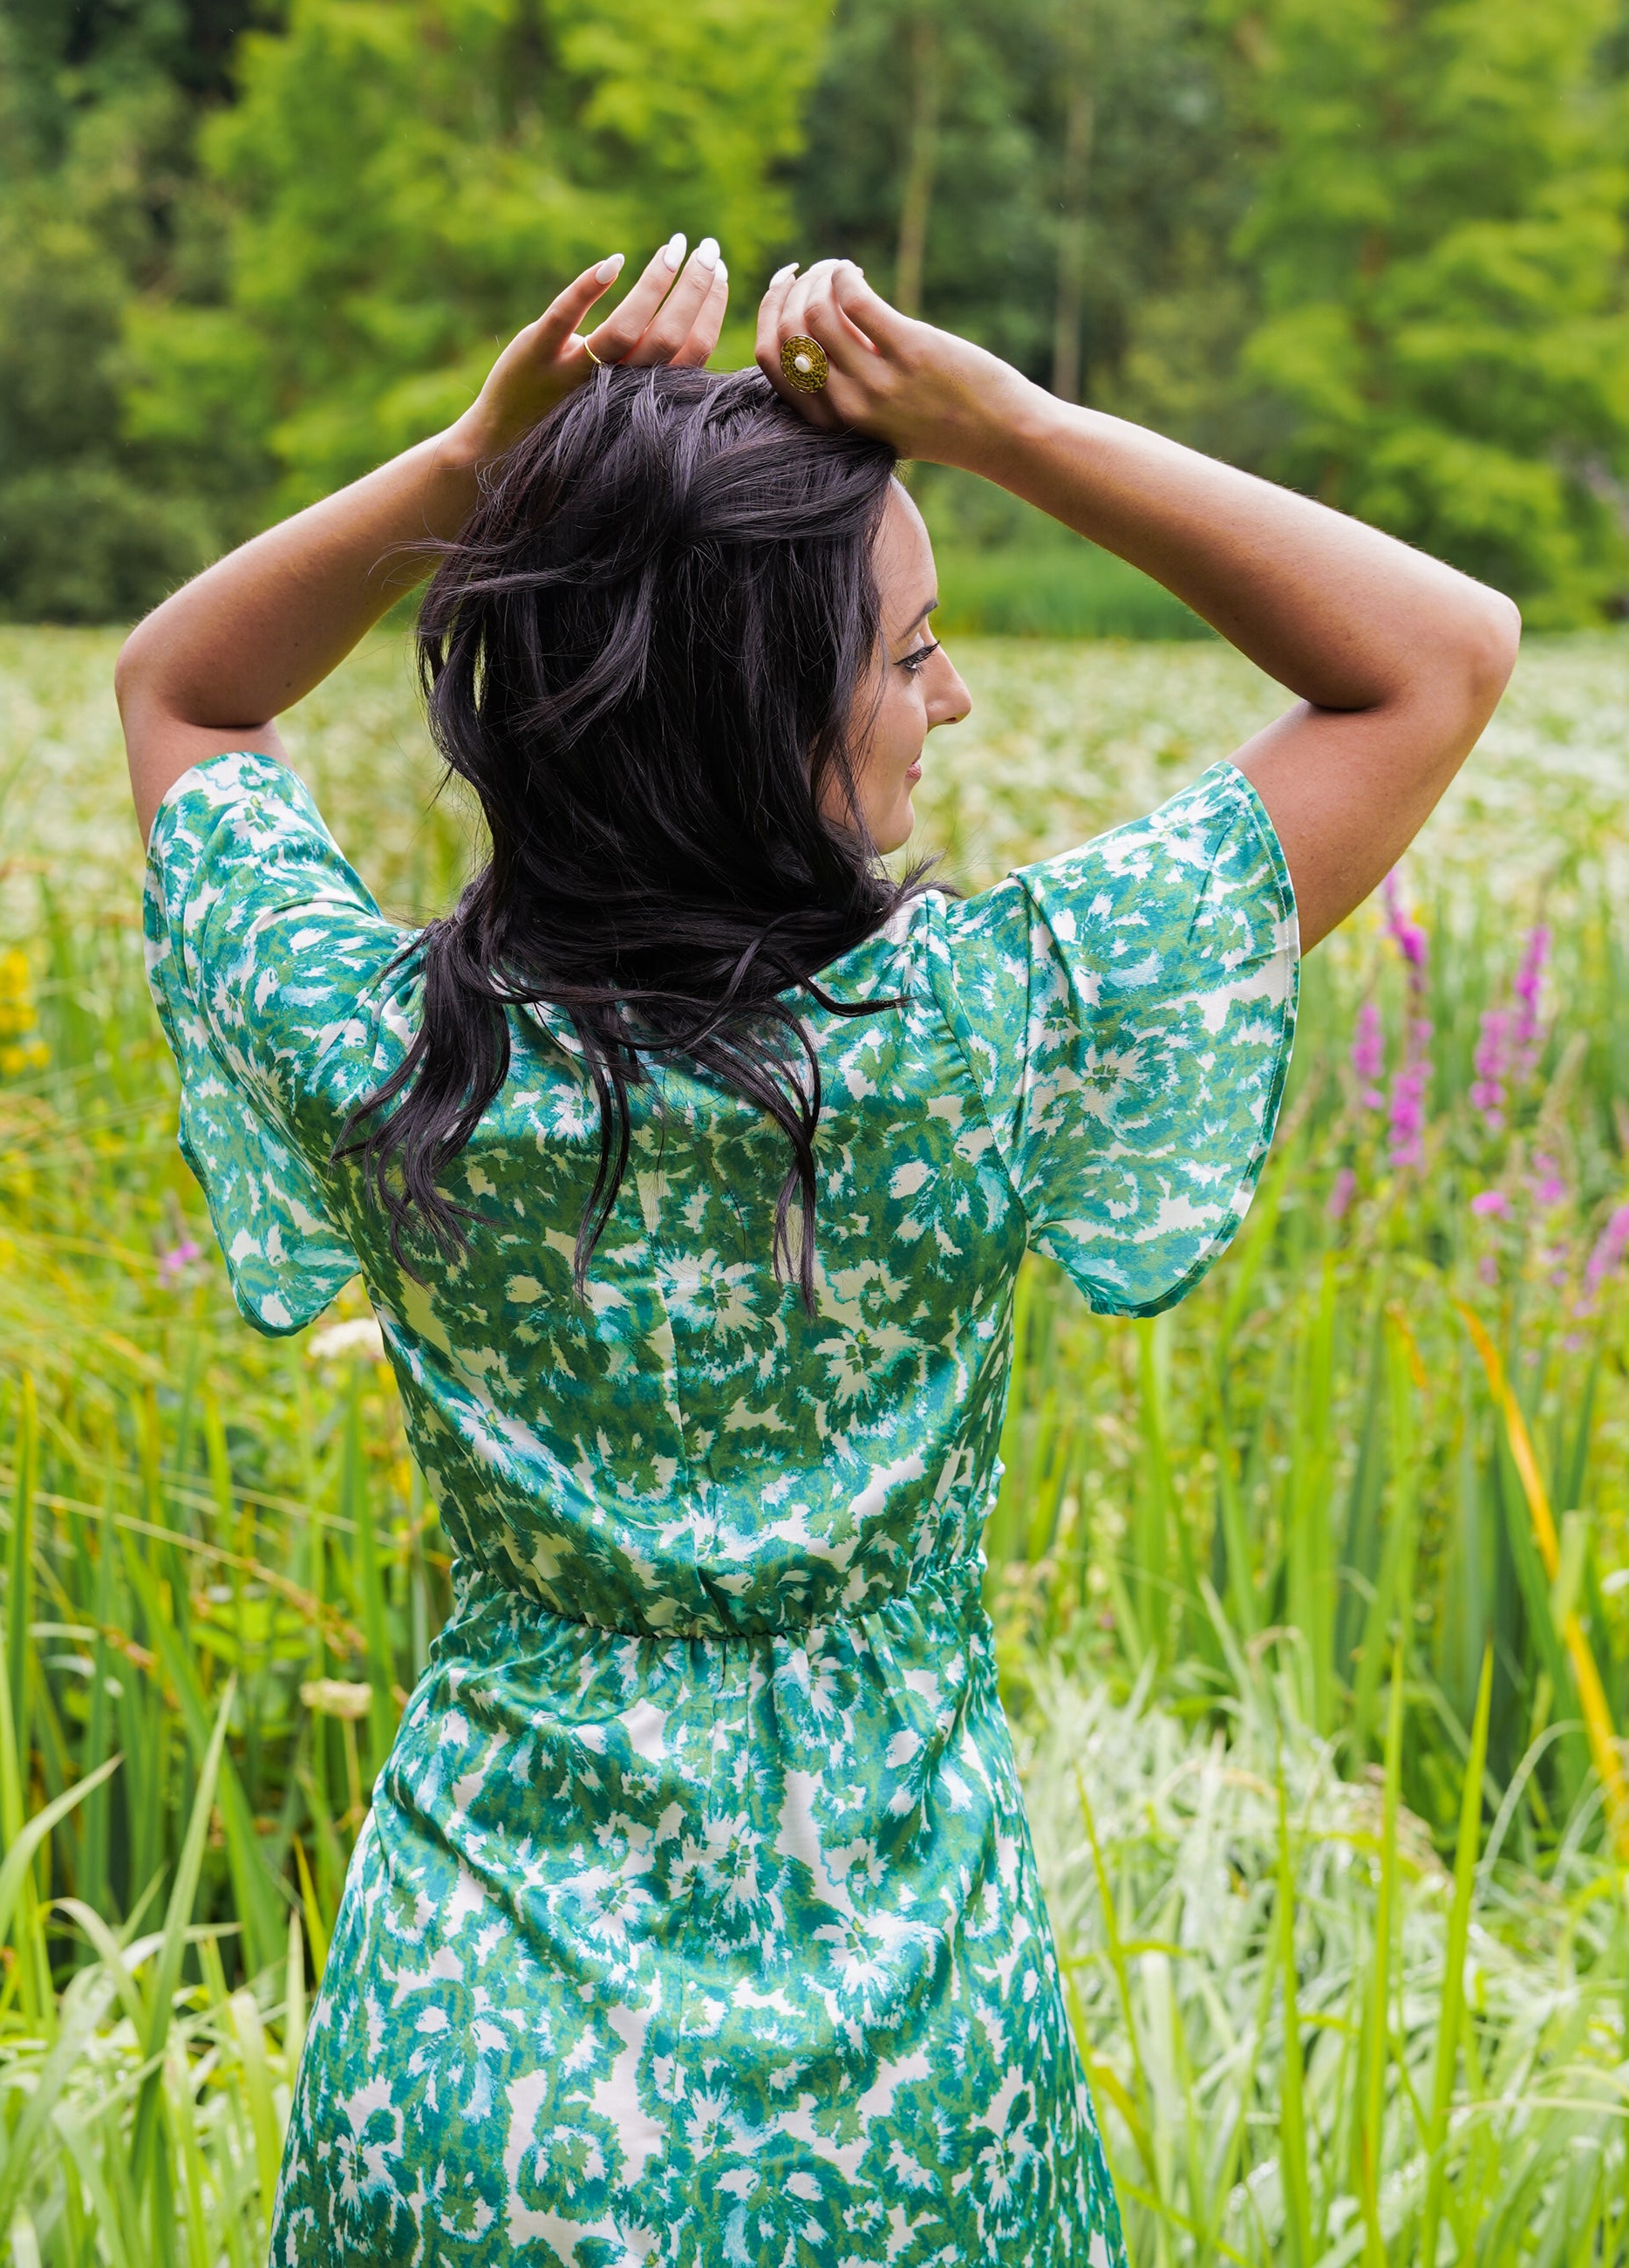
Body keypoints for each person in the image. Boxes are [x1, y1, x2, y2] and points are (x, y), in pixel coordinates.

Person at [116, 234, 1518, 2266]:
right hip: (904, 2082)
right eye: (905, 650)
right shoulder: (983, 1030)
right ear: (769, 714)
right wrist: (1000, 423)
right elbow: (1437, 650)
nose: (950, 692)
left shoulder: (383, 1048)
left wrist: (469, 469)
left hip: (475, 2068)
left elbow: (183, 682)